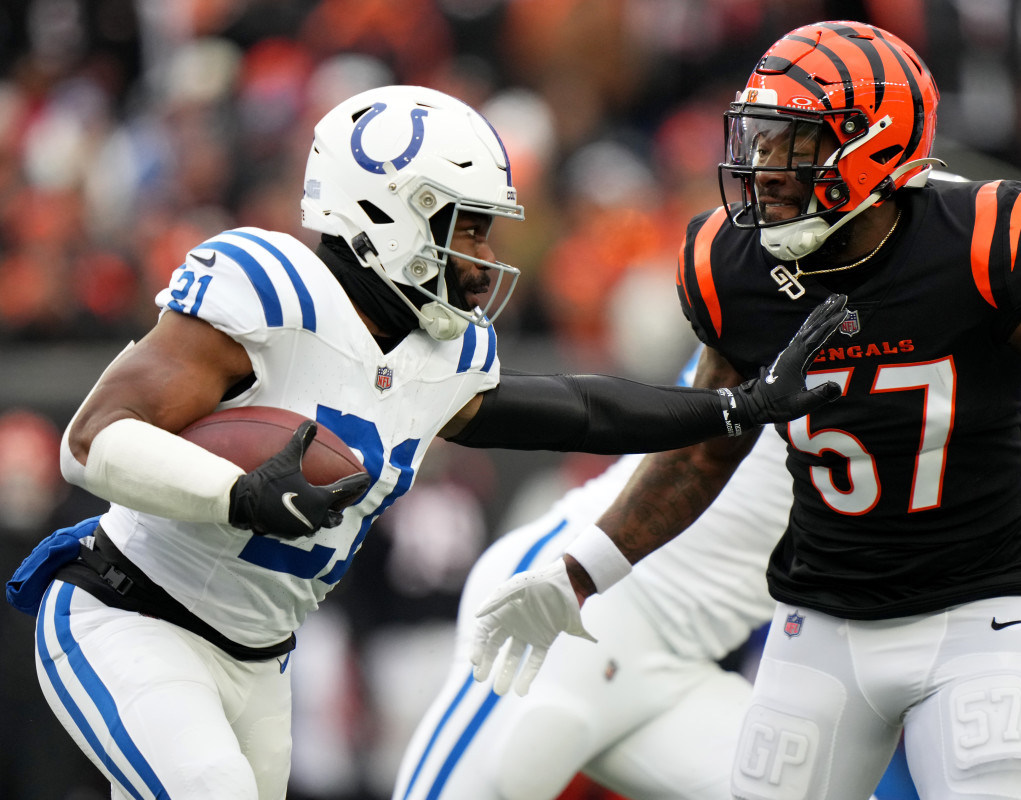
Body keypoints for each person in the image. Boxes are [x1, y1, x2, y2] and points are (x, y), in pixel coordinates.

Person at [3, 85, 846, 800]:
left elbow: (577, 411)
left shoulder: (435, 355)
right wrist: (240, 494)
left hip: (259, 660)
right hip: (130, 614)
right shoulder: (269, 292)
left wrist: (731, 408)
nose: (482, 258)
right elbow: (92, 442)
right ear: (388, 214)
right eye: (467, 228)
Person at [469, 21, 1021, 800]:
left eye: (791, 144)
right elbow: (710, 443)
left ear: (872, 147)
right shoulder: (730, 265)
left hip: (981, 612)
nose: (762, 169)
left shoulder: (979, 240)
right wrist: (582, 572)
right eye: (758, 140)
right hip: (821, 617)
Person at [394, 344, 1021, 800]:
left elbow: (982, 459)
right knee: (506, 769)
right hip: (581, 606)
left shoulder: (958, 432)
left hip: (678, 669)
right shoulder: (850, 324)